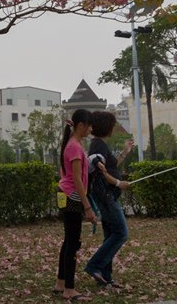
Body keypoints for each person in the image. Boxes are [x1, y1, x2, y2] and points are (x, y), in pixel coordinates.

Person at [83, 111, 134, 289]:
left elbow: (111, 166)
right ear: (106, 126)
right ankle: (94, 266)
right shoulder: (98, 146)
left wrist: (125, 152)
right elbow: (102, 174)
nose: (113, 128)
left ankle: (105, 277)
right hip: (105, 195)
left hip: (107, 195)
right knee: (121, 233)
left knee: (110, 235)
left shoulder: (100, 145)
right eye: (112, 125)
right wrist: (119, 183)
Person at [53, 109, 97, 302]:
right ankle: (69, 289)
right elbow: (78, 181)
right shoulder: (74, 147)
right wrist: (87, 207)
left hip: (66, 194)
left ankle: (61, 282)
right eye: (89, 125)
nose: (91, 129)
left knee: (69, 240)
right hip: (72, 197)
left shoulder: (74, 145)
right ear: (81, 125)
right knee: (73, 243)